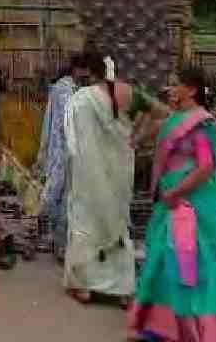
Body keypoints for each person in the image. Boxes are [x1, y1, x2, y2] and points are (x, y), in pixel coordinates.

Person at [128, 66, 216, 342]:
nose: (171, 89)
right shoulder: (175, 118)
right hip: (171, 199)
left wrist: (176, 191)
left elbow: (204, 168)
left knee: (199, 262)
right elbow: (141, 138)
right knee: (166, 258)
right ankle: (162, 325)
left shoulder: (202, 124)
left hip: (193, 202)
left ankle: (204, 326)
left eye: (176, 84)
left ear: (192, 89)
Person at [63, 53, 135, 305]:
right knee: (117, 225)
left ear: (89, 72)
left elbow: (71, 142)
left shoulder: (81, 98)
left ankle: (83, 286)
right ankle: (124, 290)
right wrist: (136, 139)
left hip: (88, 173)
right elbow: (159, 114)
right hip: (119, 173)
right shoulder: (125, 92)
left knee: (86, 225)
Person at [37, 59, 77, 260]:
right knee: (59, 195)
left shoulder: (61, 89)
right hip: (64, 150)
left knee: (56, 193)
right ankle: (57, 242)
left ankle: (53, 239)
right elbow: (67, 124)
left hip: (58, 150)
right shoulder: (65, 91)